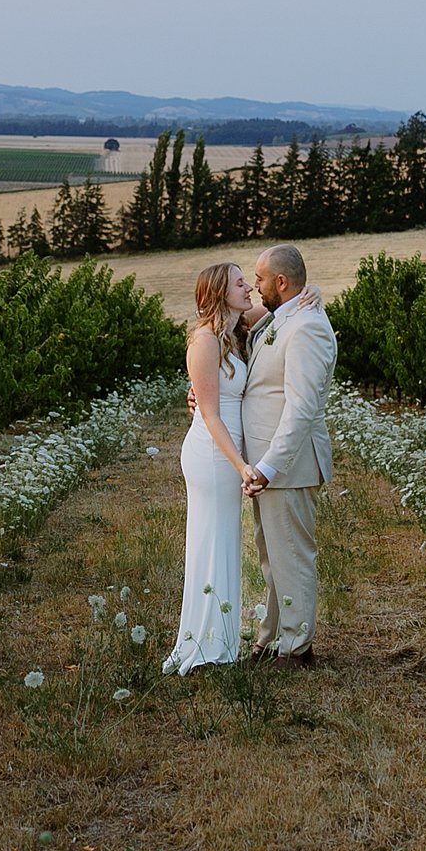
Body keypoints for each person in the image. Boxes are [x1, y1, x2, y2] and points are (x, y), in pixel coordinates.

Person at [163, 262, 266, 675]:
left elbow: (281, 301)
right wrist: (241, 464)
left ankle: (219, 640)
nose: (249, 289)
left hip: (228, 456)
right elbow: (210, 414)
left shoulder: (237, 330)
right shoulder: (204, 342)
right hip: (212, 454)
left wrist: (308, 291)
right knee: (210, 541)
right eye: (240, 283)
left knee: (224, 542)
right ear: (219, 292)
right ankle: (203, 644)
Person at [239, 244, 338, 666]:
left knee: (293, 556)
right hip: (271, 466)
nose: (255, 285)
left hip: (288, 465)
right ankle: (270, 638)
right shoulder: (282, 317)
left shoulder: (307, 327)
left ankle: (298, 648)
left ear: (281, 282)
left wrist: (268, 465)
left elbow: (301, 408)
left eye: (259, 279)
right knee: (271, 557)